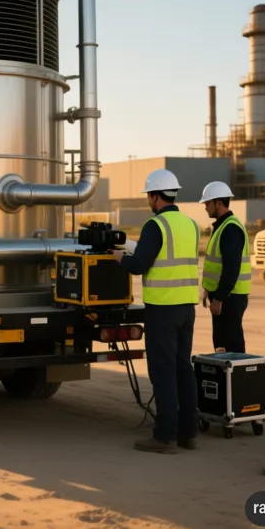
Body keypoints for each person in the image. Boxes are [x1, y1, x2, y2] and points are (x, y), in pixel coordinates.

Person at [112, 169, 200, 454]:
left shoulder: (156, 225)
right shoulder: (191, 224)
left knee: (163, 371)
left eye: (149, 196)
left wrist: (120, 257)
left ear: (154, 196)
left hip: (163, 309)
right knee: (183, 369)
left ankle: (164, 437)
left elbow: (139, 264)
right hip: (186, 307)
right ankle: (188, 434)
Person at [199, 181, 251, 353]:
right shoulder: (222, 226)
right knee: (221, 346)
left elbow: (231, 268)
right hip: (225, 296)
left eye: (207, 203)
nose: (205, 207)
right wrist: (209, 291)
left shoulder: (230, 229)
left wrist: (219, 298)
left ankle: (238, 371)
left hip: (230, 298)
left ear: (218, 203)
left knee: (232, 346)